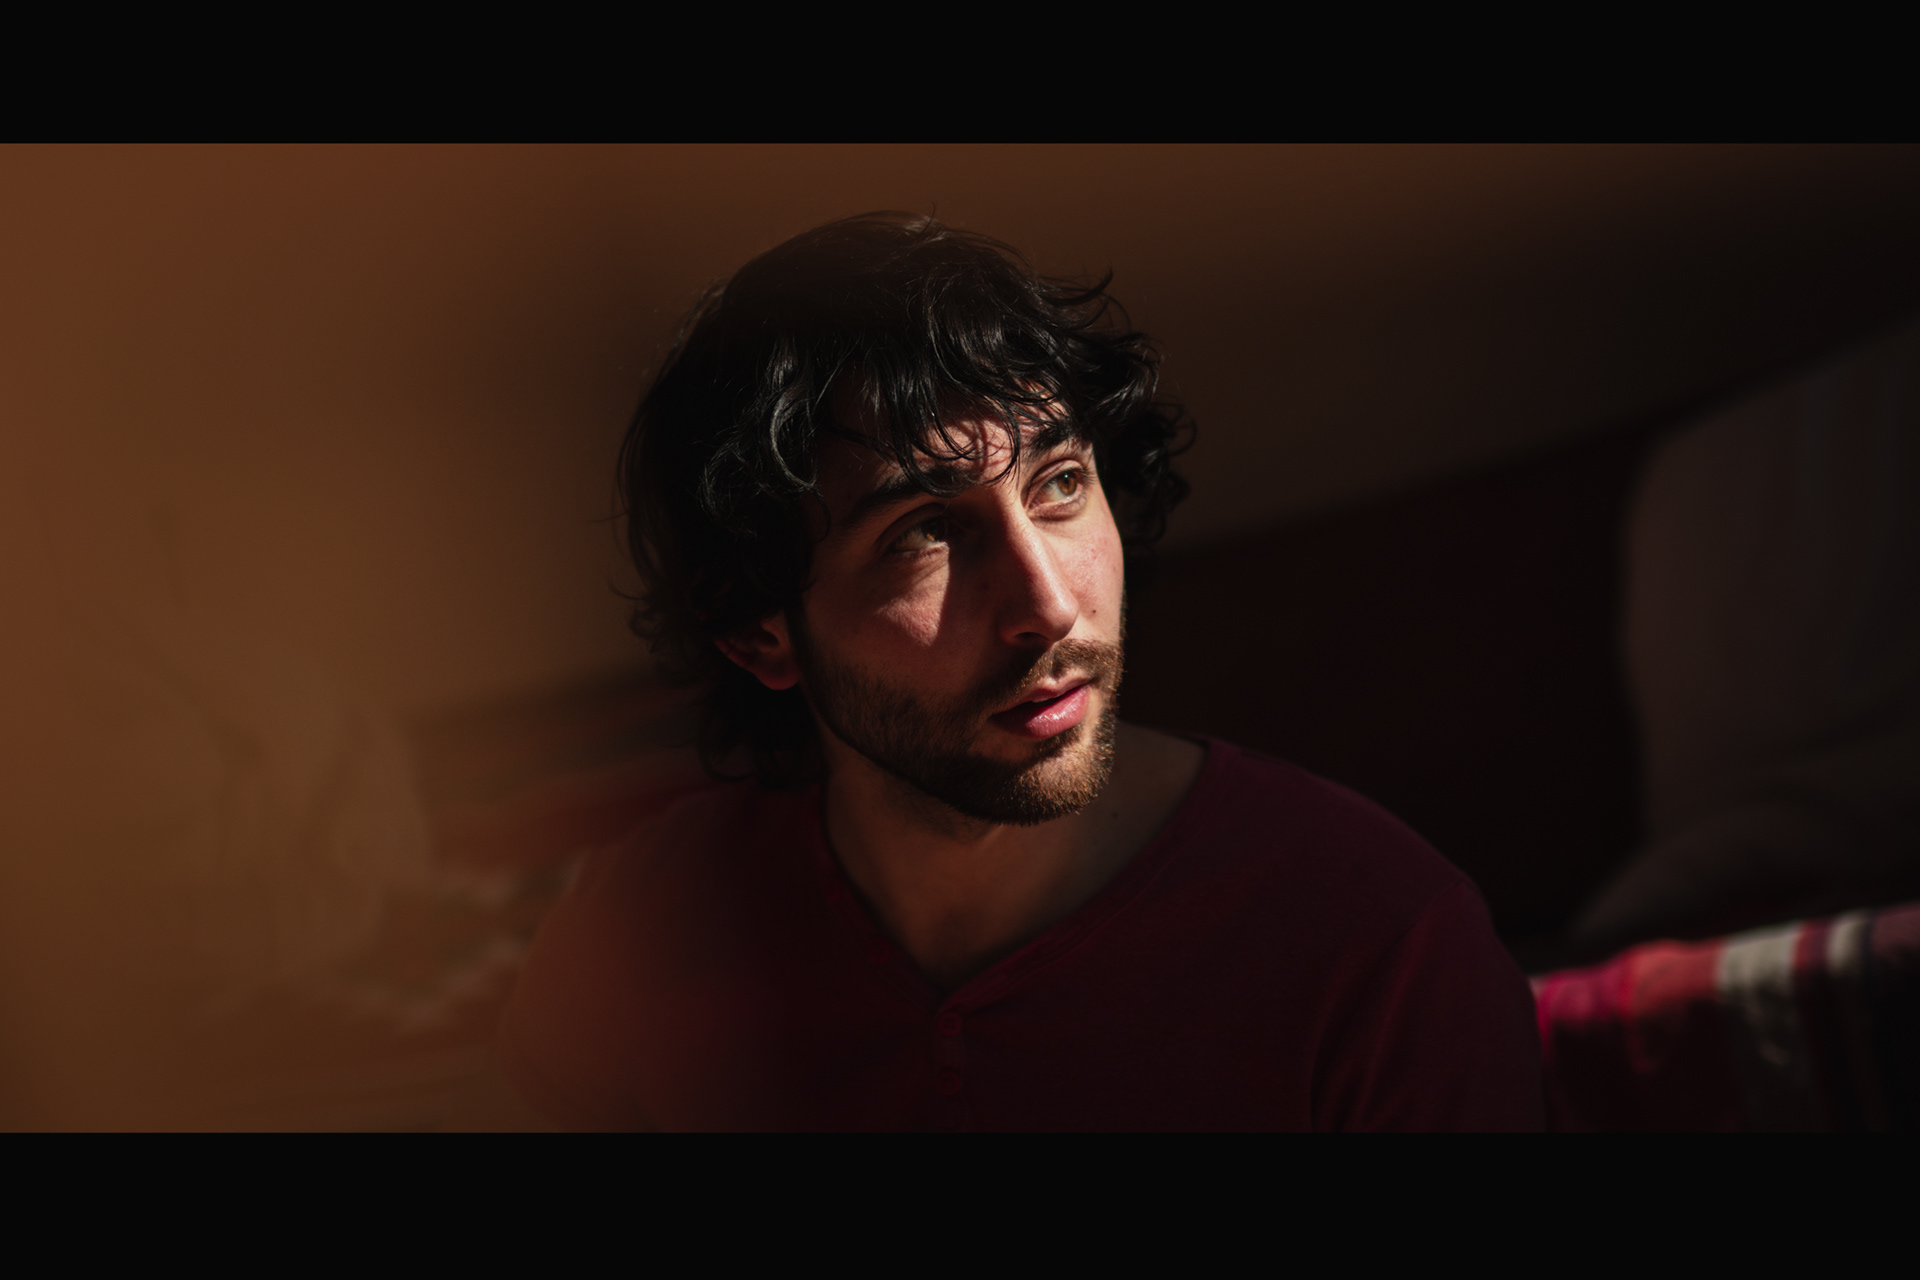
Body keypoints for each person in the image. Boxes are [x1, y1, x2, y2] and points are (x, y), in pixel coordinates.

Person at [499, 213, 1543, 1130]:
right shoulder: (646, 933)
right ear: (754, 632)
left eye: (1060, 483)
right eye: (924, 533)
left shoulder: (1381, 948)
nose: (1047, 604)